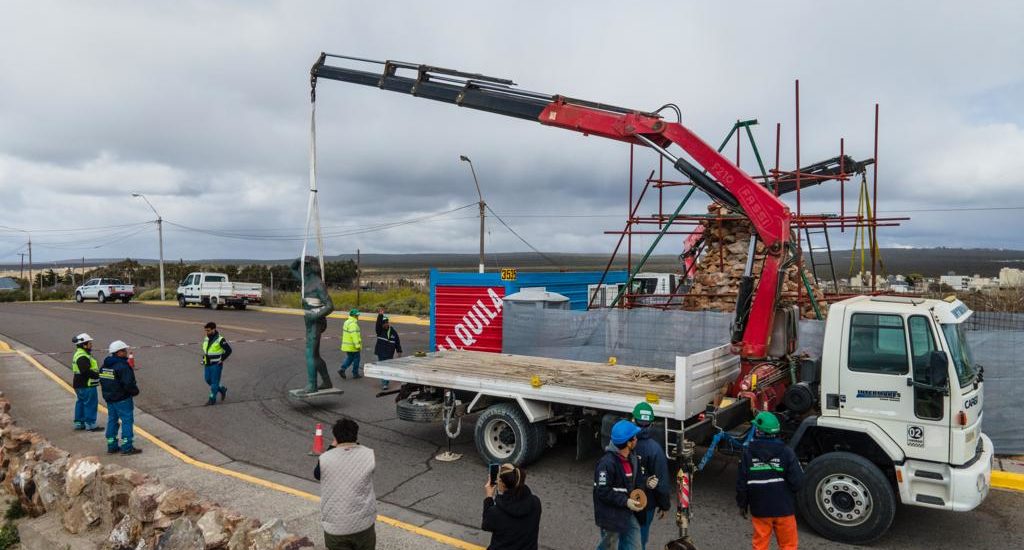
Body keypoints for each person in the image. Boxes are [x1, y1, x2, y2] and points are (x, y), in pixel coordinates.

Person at [736, 411, 803, 550]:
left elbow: (742, 484)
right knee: (788, 545)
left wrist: (742, 505)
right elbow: (797, 482)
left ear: (759, 432)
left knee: (760, 545)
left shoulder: (748, 453)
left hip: (760, 508)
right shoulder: (787, 452)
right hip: (784, 508)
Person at [314, 418, 377, 550]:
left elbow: (317, 475)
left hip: (336, 527)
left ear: (335, 437)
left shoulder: (325, 459)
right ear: (356, 434)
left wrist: (332, 446)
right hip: (364, 523)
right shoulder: (368, 455)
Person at [594, 419, 644, 550]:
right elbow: (603, 491)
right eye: (634, 437)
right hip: (611, 517)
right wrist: (626, 501)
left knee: (635, 546)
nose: (636, 439)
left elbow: (635, 481)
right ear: (628, 443)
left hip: (627, 513)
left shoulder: (632, 457)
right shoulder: (606, 464)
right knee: (607, 547)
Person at [291, 257, 335, 394]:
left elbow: (330, 306)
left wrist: (315, 316)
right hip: (309, 320)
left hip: (315, 321)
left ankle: (312, 384)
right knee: (315, 354)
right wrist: (300, 259)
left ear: (312, 267)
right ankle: (327, 381)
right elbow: (292, 268)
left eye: (306, 265)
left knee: (310, 353)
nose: (303, 268)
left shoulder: (318, 284)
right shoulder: (306, 281)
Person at [631, 402, 671, 549]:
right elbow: (662, 481)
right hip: (646, 504)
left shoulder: (624, 444)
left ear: (632, 420)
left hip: (624, 501)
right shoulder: (655, 449)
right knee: (640, 539)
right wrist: (664, 505)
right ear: (651, 424)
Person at [482, 463, 542, 550]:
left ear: (503, 484)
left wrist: (488, 498)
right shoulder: (535, 503)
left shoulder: (496, 512)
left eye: (499, 479)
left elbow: (486, 525)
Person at [99, 340, 141, 455]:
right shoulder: (122, 366)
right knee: (127, 421)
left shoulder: (104, 366)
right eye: (124, 351)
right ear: (118, 352)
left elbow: (102, 381)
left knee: (112, 420)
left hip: (110, 399)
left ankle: (111, 445)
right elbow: (128, 383)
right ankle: (127, 446)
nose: (126, 353)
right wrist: (134, 391)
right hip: (122, 399)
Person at [71, 333, 103, 432]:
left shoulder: (79, 353)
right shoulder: (82, 356)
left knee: (80, 402)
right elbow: (85, 371)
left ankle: (79, 423)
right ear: (84, 344)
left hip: (79, 384)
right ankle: (90, 424)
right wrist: (98, 375)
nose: (91, 345)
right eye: (89, 343)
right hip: (87, 385)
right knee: (90, 403)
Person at [201, 322, 233, 405]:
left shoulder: (220, 339)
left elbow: (229, 350)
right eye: (206, 330)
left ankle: (212, 399)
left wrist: (222, 359)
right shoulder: (206, 338)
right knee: (208, 380)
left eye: (208, 330)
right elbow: (207, 350)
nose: (206, 332)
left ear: (213, 329)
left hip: (216, 364)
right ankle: (222, 389)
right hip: (207, 363)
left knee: (214, 383)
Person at [374, 307, 402, 390]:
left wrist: (399, 350)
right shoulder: (379, 331)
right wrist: (380, 315)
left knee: (387, 367)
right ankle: (384, 383)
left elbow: (397, 341)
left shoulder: (393, 331)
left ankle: (385, 382)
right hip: (381, 352)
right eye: (384, 323)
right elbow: (378, 324)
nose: (386, 324)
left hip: (389, 353)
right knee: (383, 367)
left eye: (387, 322)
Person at [338, 309, 363, 379]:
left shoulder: (347, 322)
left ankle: (342, 369)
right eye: (357, 315)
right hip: (353, 346)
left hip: (347, 346)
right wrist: (357, 345)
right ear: (355, 316)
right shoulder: (353, 324)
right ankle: (355, 373)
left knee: (350, 358)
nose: (358, 317)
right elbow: (354, 336)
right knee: (356, 359)